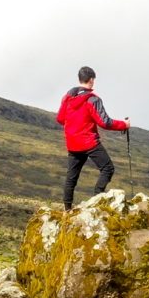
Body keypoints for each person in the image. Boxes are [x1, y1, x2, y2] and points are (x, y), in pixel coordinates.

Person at [56, 66, 130, 210]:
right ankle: (97, 199)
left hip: (72, 143)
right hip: (89, 142)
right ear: (91, 80)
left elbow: (60, 118)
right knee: (107, 168)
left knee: (71, 177)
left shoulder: (68, 97)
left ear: (79, 79)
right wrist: (124, 125)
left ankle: (67, 209)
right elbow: (105, 122)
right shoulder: (93, 99)